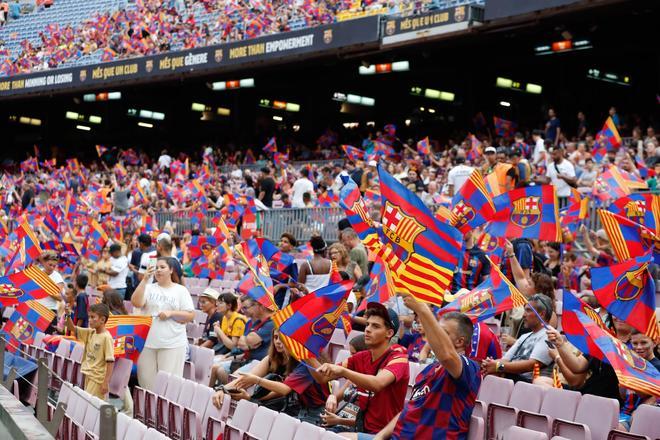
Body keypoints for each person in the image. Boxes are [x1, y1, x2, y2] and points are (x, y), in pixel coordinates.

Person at [374, 296, 482, 440]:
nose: (433, 334)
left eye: (441, 331)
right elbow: (410, 408)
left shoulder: (471, 368)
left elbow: (447, 356)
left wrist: (423, 310)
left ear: (460, 341)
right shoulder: (429, 370)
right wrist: (379, 437)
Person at [318, 303, 409, 438]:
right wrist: (306, 354)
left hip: (387, 436)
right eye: (367, 324)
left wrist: (343, 372)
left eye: (375, 326)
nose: (367, 329)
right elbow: (323, 378)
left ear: (389, 333)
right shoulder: (361, 357)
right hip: (361, 429)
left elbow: (377, 384)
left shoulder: (399, 358)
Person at [131, 257, 195, 391]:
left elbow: (190, 315)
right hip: (147, 342)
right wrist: (144, 279)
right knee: (146, 383)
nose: (158, 270)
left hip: (172, 343)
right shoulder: (148, 288)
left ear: (171, 270)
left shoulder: (180, 290)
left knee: (168, 385)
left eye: (162, 267)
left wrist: (171, 313)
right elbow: (136, 302)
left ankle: (163, 412)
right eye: (157, 268)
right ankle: (149, 411)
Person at [482, 294, 554, 382]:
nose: (523, 315)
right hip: (512, 381)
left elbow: (532, 365)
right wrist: (489, 364)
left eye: (528, 311)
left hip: (529, 386)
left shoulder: (549, 335)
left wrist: (498, 366)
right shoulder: (525, 336)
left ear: (542, 314)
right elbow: (505, 360)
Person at [209, 296, 274, 386]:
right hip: (246, 357)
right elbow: (241, 343)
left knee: (233, 376)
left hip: (259, 362)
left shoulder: (271, 323)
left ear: (260, 307)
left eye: (245, 307)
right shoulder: (253, 322)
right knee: (216, 367)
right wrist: (249, 343)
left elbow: (236, 344)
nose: (242, 311)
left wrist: (248, 342)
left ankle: (230, 394)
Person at [64, 303, 114, 400]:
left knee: (89, 405)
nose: (89, 320)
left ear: (103, 320)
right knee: (90, 406)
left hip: (97, 379)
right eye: (89, 317)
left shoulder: (106, 338)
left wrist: (105, 382)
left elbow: (110, 362)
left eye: (92, 317)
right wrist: (68, 315)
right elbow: (72, 328)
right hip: (88, 375)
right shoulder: (91, 332)